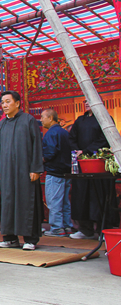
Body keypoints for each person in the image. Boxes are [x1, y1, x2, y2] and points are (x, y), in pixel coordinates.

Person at [0, 91, 44, 251]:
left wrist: (36, 168)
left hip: (25, 170)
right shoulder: (2, 124)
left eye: (7, 102)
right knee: (8, 203)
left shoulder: (29, 121)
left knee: (27, 202)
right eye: (2, 103)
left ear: (18, 103)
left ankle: (30, 239)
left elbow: (37, 146)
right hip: (6, 171)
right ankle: (10, 238)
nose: (4, 105)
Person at [68, 101, 120, 239]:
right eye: (85, 101)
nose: (86, 104)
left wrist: (86, 150)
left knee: (100, 196)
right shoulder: (80, 120)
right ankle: (85, 229)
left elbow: (105, 139)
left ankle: (104, 230)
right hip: (82, 163)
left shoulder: (105, 118)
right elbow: (71, 138)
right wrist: (78, 151)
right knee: (81, 197)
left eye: (89, 101)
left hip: (99, 163)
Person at [40, 108, 72, 237]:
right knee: (64, 202)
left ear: (51, 118)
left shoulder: (51, 133)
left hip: (54, 171)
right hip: (66, 171)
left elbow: (50, 152)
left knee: (54, 201)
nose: (41, 120)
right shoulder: (64, 132)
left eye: (43, 117)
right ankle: (67, 226)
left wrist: (40, 160)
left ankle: (57, 228)